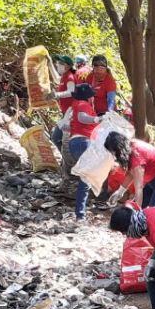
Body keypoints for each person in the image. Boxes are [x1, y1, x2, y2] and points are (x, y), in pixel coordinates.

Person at [104, 132, 155, 208]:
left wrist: (136, 213)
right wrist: (120, 191)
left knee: (152, 213)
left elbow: (139, 188)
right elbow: (132, 174)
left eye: (114, 153)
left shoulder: (137, 156)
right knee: (142, 208)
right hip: (153, 180)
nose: (114, 156)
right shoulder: (130, 146)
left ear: (119, 149)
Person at [62, 83, 100, 219]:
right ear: (87, 97)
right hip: (84, 142)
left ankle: (81, 211)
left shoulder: (75, 105)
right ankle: (80, 213)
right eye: (92, 96)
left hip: (75, 143)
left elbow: (64, 126)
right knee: (87, 178)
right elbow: (82, 118)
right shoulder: (83, 104)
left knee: (86, 177)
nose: (93, 98)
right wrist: (98, 118)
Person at [47, 54, 75, 150]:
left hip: (71, 114)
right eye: (58, 63)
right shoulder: (64, 76)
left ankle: (68, 162)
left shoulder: (70, 77)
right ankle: (66, 161)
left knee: (56, 138)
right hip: (66, 113)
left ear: (67, 66)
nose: (58, 64)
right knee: (59, 139)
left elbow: (71, 92)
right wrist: (50, 64)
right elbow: (56, 79)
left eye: (60, 63)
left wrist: (57, 95)